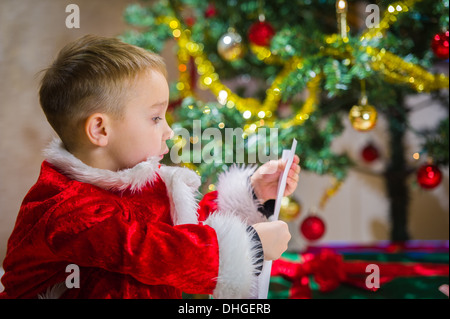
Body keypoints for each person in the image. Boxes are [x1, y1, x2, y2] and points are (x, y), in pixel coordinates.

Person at [0, 35, 300, 299]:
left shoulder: (140, 185)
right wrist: (251, 246)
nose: (169, 131)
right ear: (100, 130)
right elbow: (151, 252)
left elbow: (187, 232)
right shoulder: (66, 210)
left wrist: (253, 193)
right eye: (156, 118)